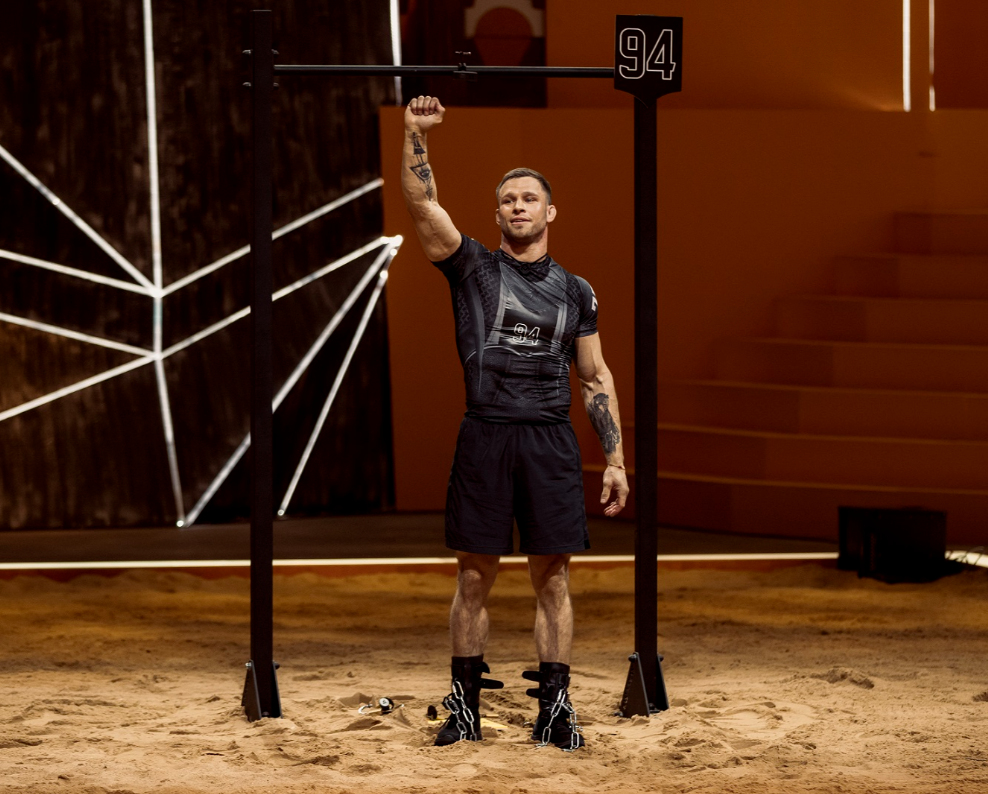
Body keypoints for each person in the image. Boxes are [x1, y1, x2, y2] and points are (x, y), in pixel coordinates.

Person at [401, 95, 629, 751]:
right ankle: (465, 709)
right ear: (497, 213)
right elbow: (423, 205)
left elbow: (595, 377)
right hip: (486, 434)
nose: (519, 207)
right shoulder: (472, 268)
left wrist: (615, 459)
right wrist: (415, 134)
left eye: (530, 199)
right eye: (508, 200)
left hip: (549, 440)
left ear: (550, 211)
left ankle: (555, 710)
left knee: (553, 576)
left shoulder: (576, 291)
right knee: (473, 575)